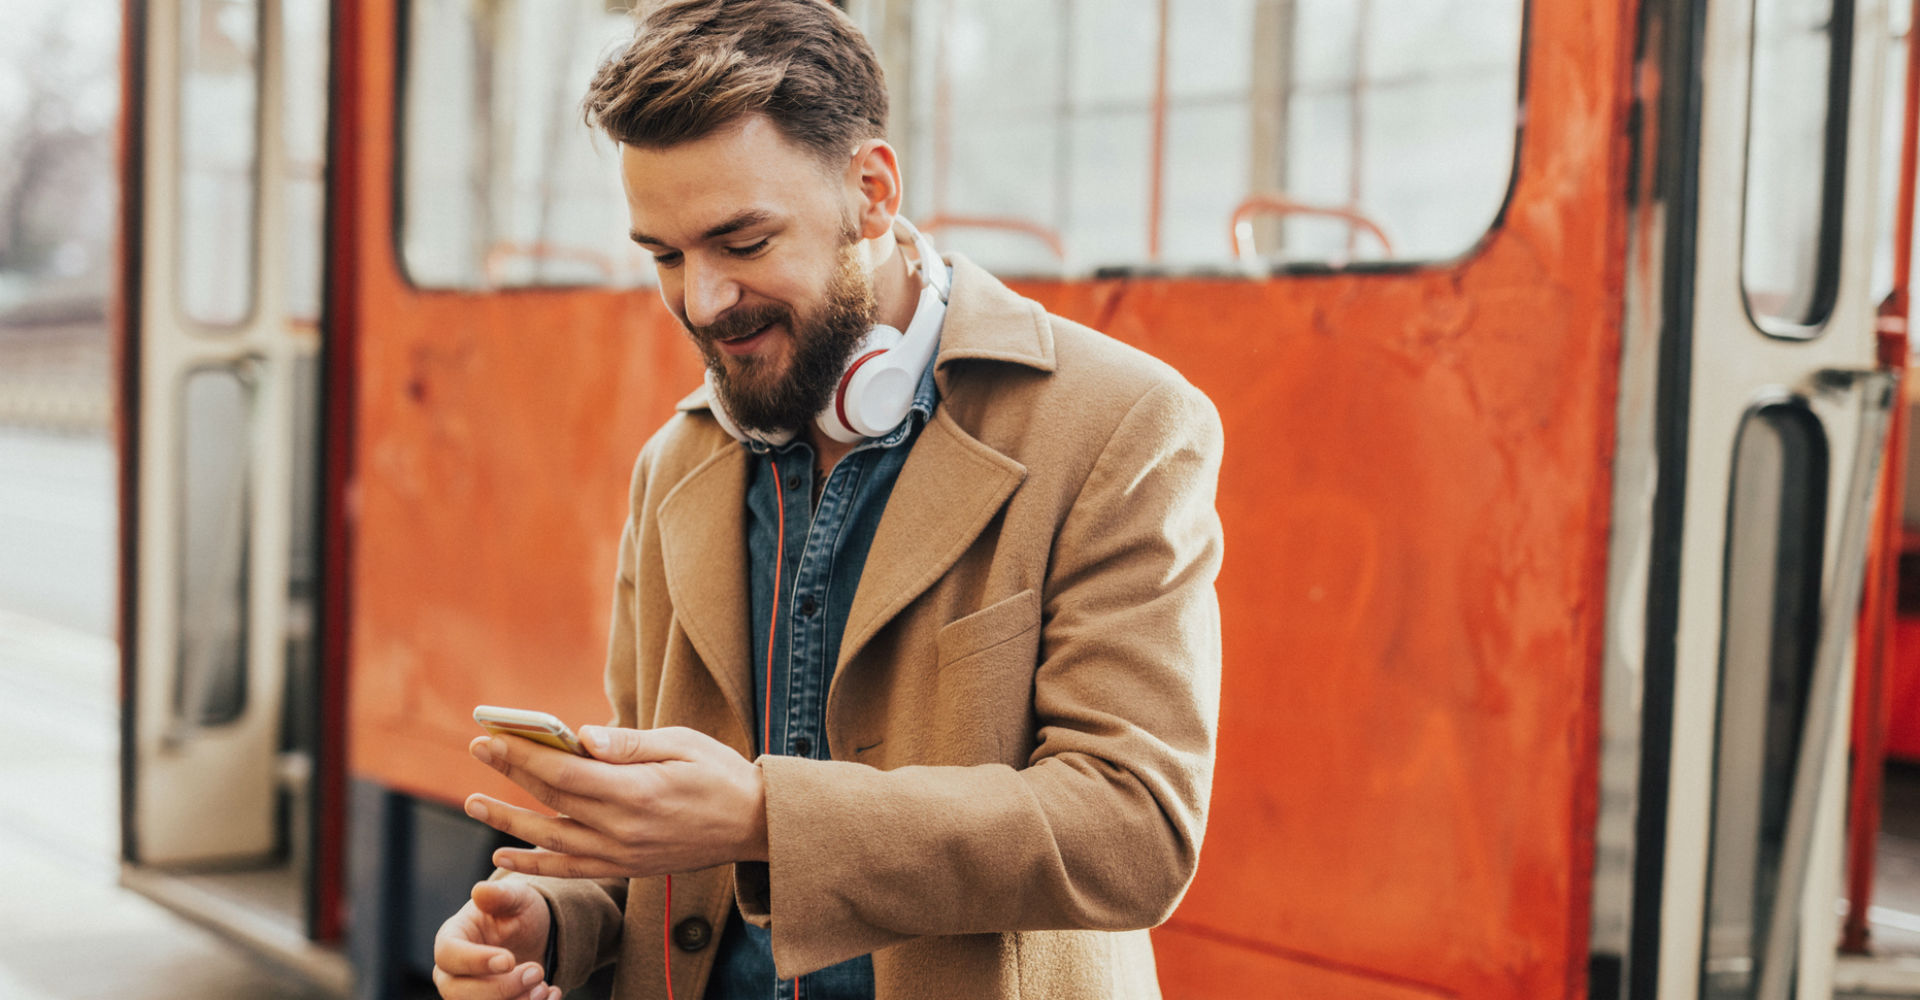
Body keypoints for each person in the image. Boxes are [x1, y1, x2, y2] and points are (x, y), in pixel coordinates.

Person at [430, 1, 1223, 997]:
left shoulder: (1121, 425)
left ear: (873, 192)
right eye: (666, 257)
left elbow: (1135, 830)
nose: (705, 301)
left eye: (744, 242)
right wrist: (552, 924)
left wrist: (765, 814)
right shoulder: (675, 462)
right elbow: (665, 856)